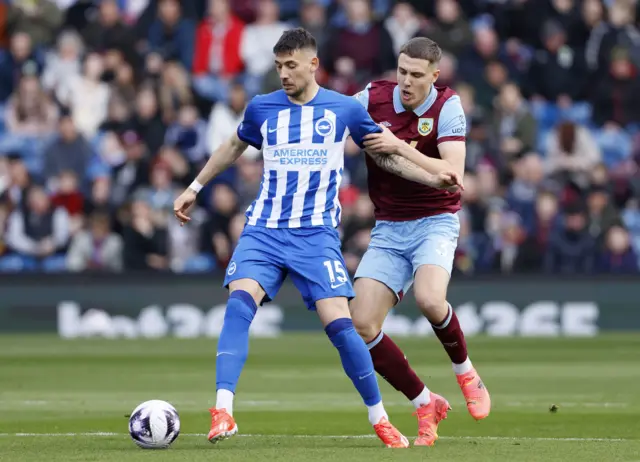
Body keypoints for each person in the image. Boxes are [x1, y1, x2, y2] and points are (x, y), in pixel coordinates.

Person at [173, 28, 458, 449]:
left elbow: (387, 156)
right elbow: (233, 146)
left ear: (312, 64)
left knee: (343, 327)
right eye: (278, 67)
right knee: (238, 305)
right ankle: (223, 410)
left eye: (291, 65)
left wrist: (434, 178)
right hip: (265, 230)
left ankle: (379, 417)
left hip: (316, 236)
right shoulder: (262, 108)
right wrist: (194, 188)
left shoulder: (342, 109)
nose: (284, 74)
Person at [349, 37, 491, 447]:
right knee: (362, 324)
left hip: (435, 220)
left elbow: (453, 172)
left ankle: (465, 370)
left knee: (430, 300)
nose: (405, 82)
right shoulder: (371, 98)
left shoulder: (448, 106)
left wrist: (396, 146)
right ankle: (425, 400)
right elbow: (333, 113)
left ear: (434, 75)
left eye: (415, 75)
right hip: (390, 227)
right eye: (401, 72)